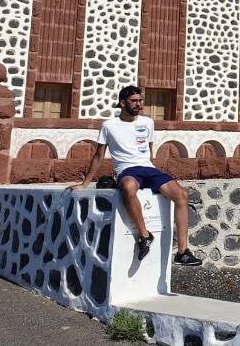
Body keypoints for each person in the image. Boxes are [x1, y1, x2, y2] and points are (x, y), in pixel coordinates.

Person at [69, 85, 202, 266]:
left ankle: (183, 252)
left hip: (148, 168)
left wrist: (151, 168)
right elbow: (99, 155)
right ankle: (144, 235)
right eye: (134, 101)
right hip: (127, 169)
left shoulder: (148, 123)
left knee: (182, 194)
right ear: (122, 103)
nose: (139, 104)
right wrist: (85, 184)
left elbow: (149, 149)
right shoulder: (109, 126)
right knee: (128, 187)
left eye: (140, 101)